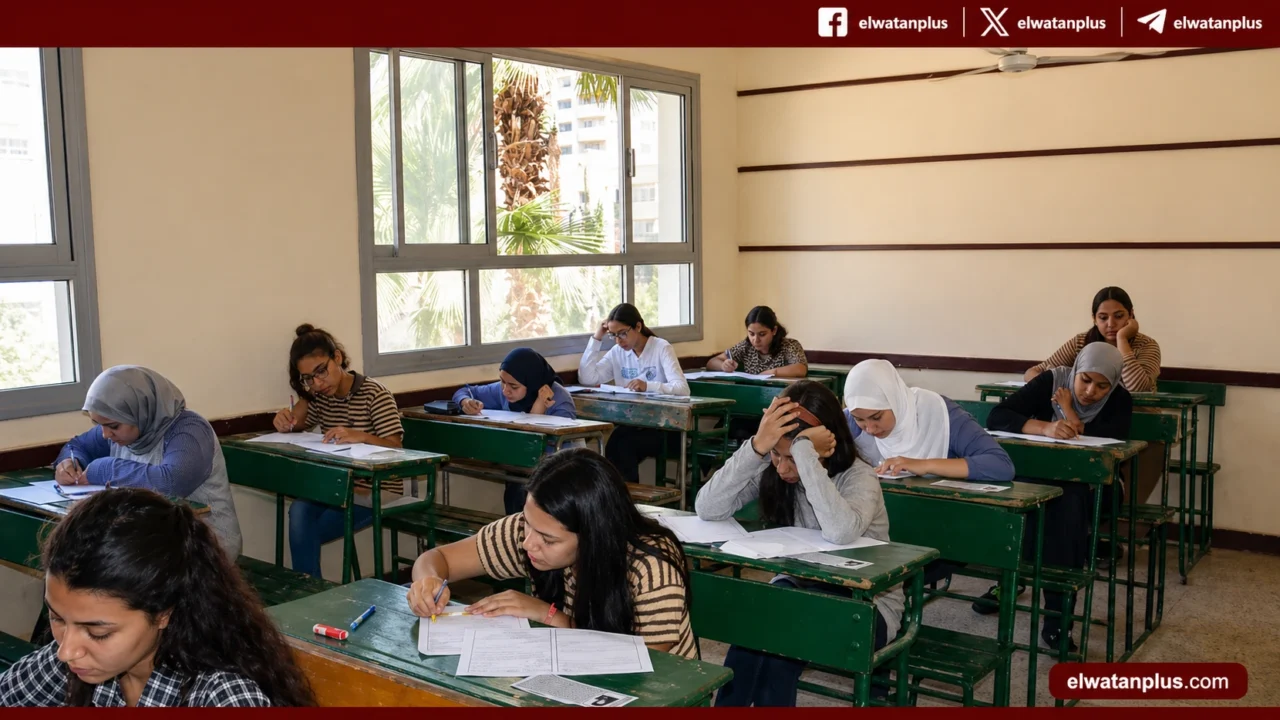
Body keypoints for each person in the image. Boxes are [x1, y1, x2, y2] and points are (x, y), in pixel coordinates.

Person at [0, 488, 315, 707]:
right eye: (57, 617)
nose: (65, 651)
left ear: (164, 612)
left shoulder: (223, 699)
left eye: (98, 633)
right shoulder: (81, 659)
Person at [694, 380, 901, 706]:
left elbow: (839, 531)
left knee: (782, 652)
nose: (782, 467)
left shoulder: (858, 476)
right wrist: (757, 446)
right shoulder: (775, 465)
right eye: (776, 454)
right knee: (748, 640)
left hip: (864, 604)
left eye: (792, 457)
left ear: (826, 444)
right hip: (797, 587)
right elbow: (708, 507)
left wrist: (805, 453)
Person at [406, 448, 696, 659]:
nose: (528, 543)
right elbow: (438, 559)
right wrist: (428, 581)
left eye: (548, 540)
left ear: (593, 537)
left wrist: (549, 616)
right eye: (527, 522)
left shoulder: (651, 567)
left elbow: (642, 666)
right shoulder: (533, 529)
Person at [984, 342, 1134, 651]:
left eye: (1102, 385)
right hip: (1041, 474)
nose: (1090, 391)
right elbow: (997, 416)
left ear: (1113, 383)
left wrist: (1067, 411)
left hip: (1095, 486)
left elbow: (1109, 446)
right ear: (1076, 370)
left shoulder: (1120, 400)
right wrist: (1045, 428)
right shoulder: (1052, 381)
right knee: (1027, 499)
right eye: (1085, 380)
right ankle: (1010, 582)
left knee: (1064, 511)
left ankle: (1056, 616)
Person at [842, 359, 1015, 587]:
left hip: (938, 532)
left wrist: (925, 465)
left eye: (876, 417)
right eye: (860, 420)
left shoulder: (940, 414)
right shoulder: (850, 420)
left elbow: (1001, 465)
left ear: (894, 398)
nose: (870, 429)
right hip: (878, 533)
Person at [51, 366, 242, 559]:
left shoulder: (189, 430)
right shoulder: (119, 431)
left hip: (203, 549)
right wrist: (69, 462)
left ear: (140, 412)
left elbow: (170, 484)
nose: (105, 434)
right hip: (150, 544)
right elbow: (77, 446)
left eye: (113, 426)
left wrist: (106, 469)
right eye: (99, 425)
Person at [272, 324, 405, 579]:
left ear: (338, 358)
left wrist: (362, 437)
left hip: (377, 491)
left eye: (321, 371)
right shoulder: (321, 397)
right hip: (338, 489)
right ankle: (312, 590)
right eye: (308, 378)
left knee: (305, 531)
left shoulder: (375, 394)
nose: (318, 382)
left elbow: (397, 448)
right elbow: (296, 424)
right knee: (300, 510)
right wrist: (285, 419)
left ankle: (309, 591)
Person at [452, 347, 577, 514]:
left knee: (521, 490)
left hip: (557, 479)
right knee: (516, 488)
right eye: (502, 381)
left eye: (513, 386)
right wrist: (465, 401)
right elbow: (464, 391)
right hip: (520, 470)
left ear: (532, 383)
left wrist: (539, 407)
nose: (505, 390)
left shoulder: (560, 401)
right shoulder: (504, 390)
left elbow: (552, 451)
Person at [578, 303, 690, 485]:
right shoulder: (617, 352)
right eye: (613, 335)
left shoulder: (661, 347)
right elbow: (587, 378)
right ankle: (622, 494)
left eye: (622, 333)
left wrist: (648, 386)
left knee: (623, 443)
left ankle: (626, 496)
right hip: (633, 424)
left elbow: (682, 389)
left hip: (664, 427)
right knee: (616, 442)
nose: (618, 341)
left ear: (638, 326)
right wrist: (597, 337)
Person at [1025, 286, 1161, 393]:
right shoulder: (1081, 342)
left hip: (1137, 415)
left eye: (1119, 316)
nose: (1110, 324)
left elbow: (1137, 389)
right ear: (1094, 319)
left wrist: (1122, 339)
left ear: (1131, 314)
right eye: (1103, 318)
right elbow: (1032, 372)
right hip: (1089, 416)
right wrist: (1059, 389)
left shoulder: (1147, 345)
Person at [707, 306, 809, 378]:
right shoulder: (746, 346)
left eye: (762, 334)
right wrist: (723, 366)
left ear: (774, 330)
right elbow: (712, 362)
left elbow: (800, 369)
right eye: (751, 334)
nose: (755, 340)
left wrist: (773, 372)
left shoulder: (789, 345)